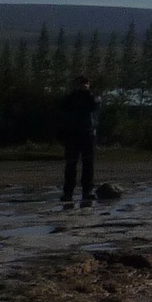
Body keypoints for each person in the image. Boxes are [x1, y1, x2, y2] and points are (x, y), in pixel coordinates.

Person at [57, 74, 99, 206]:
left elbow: (93, 107)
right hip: (72, 135)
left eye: (85, 84)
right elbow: (63, 113)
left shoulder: (91, 97)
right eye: (80, 84)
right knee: (71, 164)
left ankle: (87, 191)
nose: (83, 86)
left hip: (87, 133)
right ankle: (68, 192)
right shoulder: (69, 99)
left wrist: (88, 93)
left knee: (88, 164)